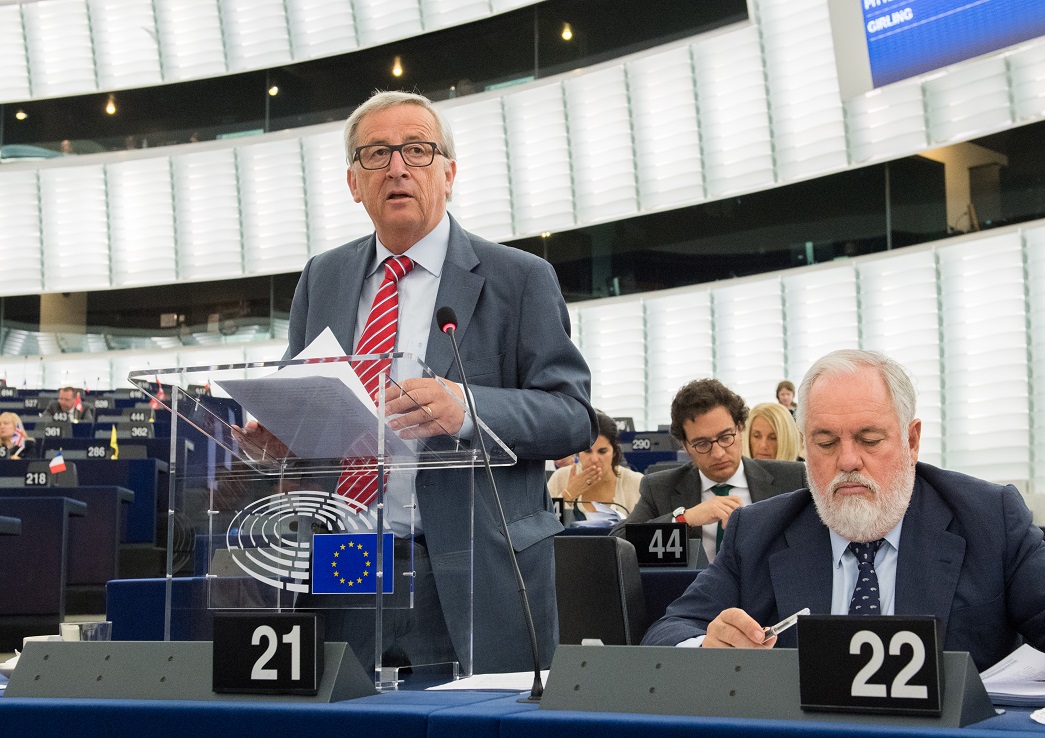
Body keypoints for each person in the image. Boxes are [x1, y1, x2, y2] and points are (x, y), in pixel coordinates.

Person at [240, 90, 596, 673]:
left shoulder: (521, 279)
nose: (397, 167)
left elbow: (572, 415)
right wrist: (280, 438)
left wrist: (467, 410)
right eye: (376, 154)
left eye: (417, 150)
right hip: (345, 562)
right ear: (354, 182)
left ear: (449, 173)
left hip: (470, 572)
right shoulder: (321, 277)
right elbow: (302, 394)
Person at [641, 349, 1045, 671]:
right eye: (826, 442)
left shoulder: (989, 518)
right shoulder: (758, 532)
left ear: (912, 440)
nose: (848, 460)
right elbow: (666, 633)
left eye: (869, 439)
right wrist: (708, 645)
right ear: (803, 445)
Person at [610, 379, 805, 565]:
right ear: (684, 446)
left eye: (726, 437)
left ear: (740, 428)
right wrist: (684, 519)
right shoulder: (661, 488)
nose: (718, 453)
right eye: (702, 444)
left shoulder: (791, 479)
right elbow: (617, 545)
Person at [547, 410, 642, 515]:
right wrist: (569, 494)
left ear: (614, 451)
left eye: (602, 451)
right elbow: (545, 526)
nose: (594, 459)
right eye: (587, 451)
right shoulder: (560, 478)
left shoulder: (635, 482)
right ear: (578, 451)